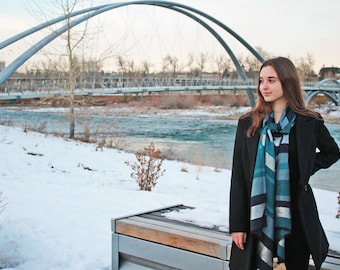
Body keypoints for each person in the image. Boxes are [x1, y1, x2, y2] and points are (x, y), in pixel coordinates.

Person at [229, 56, 339, 270]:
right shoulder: (248, 124)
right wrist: (237, 225)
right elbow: (239, 176)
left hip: (296, 219)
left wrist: (305, 168)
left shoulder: (309, 122)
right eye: (261, 80)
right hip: (255, 219)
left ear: (287, 82)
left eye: (271, 80)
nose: (264, 86)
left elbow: (332, 152)